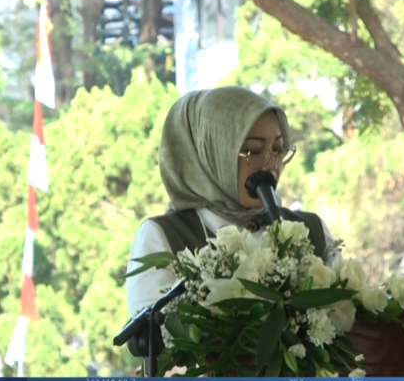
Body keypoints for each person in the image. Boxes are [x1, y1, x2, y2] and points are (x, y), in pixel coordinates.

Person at [125, 86, 341, 318]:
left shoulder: (314, 230)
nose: (271, 166)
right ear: (210, 154)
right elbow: (157, 344)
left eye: (278, 150)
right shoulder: (162, 237)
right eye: (254, 151)